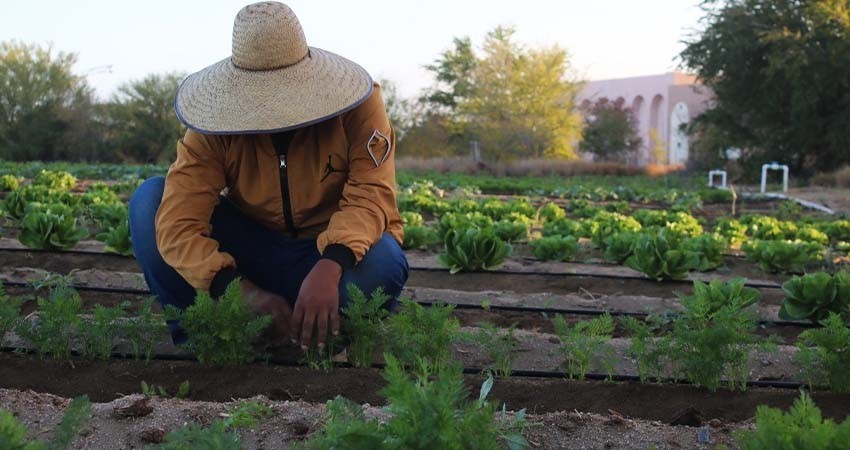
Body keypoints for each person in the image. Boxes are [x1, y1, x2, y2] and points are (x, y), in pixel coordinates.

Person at [128, 1, 408, 350]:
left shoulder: (358, 105)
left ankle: (325, 334)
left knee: (382, 259)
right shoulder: (214, 124)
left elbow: (372, 194)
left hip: (329, 254)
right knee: (149, 203)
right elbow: (178, 223)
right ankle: (206, 338)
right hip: (254, 254)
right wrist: (232, 288)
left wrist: (330, 265)